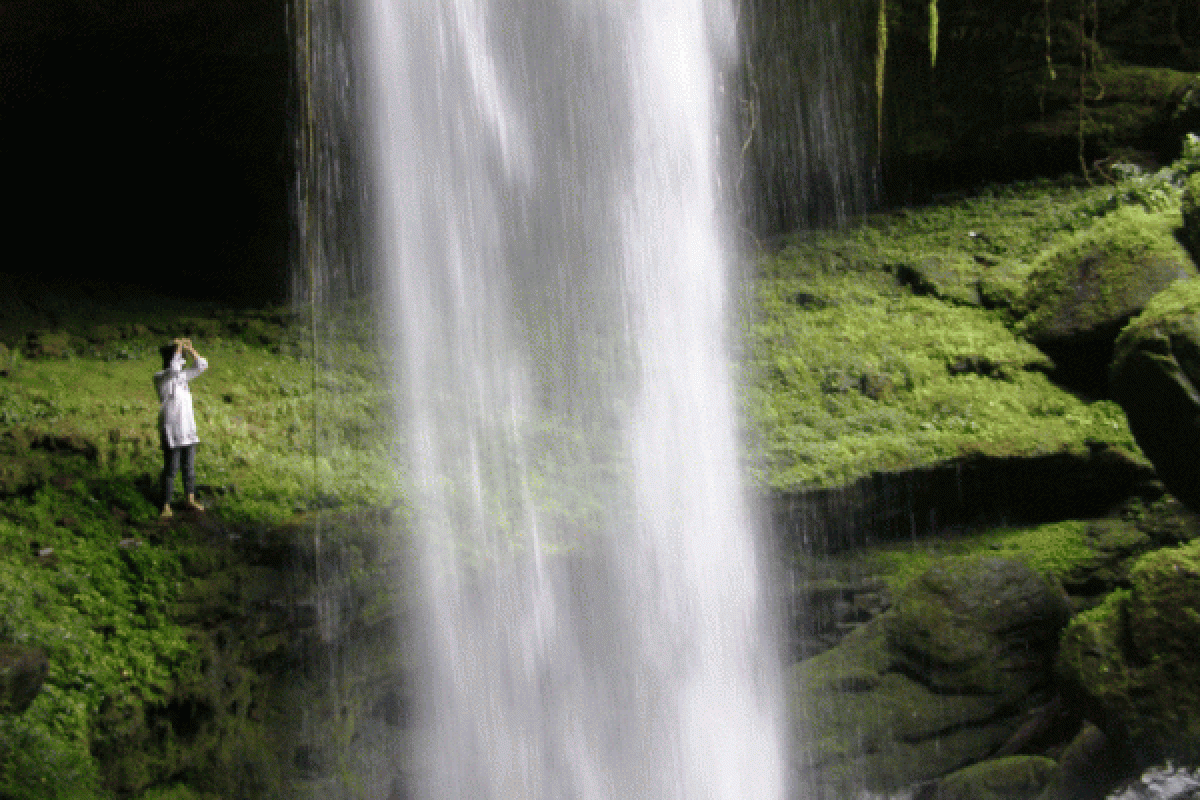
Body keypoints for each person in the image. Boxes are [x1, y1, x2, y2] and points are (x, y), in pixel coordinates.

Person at [154, 337, 208, 519]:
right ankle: (166, 504)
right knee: (171, 468)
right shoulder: (161, 377)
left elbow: (202, 366)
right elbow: (174, 369)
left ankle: (190, 499)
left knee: (189, 467)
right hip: (172, 430)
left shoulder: (182, 376)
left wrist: (191, 349)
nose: (182, 361)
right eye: (179, 356)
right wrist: (178, 347)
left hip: (187, 429)